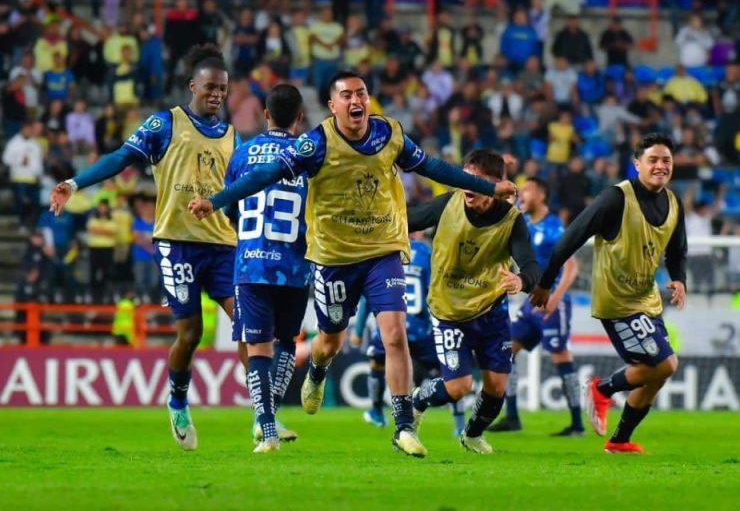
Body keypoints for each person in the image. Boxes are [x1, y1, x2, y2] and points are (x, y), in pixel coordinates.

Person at [189, 71, 518, 457]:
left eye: (361, 93)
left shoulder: (389, 134)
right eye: (346, 95)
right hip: (334, 258)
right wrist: (217, 200)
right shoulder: (315, 144)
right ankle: (318, 368)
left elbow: (433, 167)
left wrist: (488, 187)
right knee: (329, 341)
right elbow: (267, 174)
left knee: (393, 335)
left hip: (383, 250)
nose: (355, 100)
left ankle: (404, 426)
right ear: (333, 105)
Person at [49, 44, 237, 452]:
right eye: (210, 87)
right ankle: (178, 400)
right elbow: (120, 158)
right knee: (190, 333)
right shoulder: (164, 124)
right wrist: (75, 183)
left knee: (248, 320)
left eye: (223, 88)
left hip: (223, 243)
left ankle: (264, 414)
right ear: (193, 86)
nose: (217, 94)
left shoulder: (233, 136)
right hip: (177, 242)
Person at [529, 133, 687, 454]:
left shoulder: (673, 202)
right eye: (653, 160)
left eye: (666, 160)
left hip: (647, 300)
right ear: (637, 164)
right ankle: (602, 389)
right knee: (667, 365)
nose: (660, 166)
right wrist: (545, 282)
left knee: (655, 376)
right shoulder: (615, 198)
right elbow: (571, 237)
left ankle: (618, 441)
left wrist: (679, 279)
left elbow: (677, 249)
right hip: (617, 301)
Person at [407, 149, 540, 454]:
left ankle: (472, 434)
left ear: (496, 186)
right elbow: (409, 217)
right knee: (459, 387)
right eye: (466, 176)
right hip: (448, 310)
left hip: (491, 311)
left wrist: (521, 281)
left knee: (497, 388)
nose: (468, 185)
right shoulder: (448, 204)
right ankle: (418, 399)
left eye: (478, 180)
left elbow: (530, 265)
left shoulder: (512, 220)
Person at [226, 84, 311, 454]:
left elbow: (231, 209)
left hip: (252, 263)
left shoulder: (242, 155)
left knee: (257, 346)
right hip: (295, 264)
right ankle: (271, 418)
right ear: (300, 117)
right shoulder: (308, 155)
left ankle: (266, 429)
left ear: (266, 114)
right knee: (287, 343)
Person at [489, 177, 583, 436]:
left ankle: (577, 424)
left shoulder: (554, 228)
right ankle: (512, 417)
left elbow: (572, 267)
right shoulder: (524, 222)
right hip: (531, 304)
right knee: (507, 350)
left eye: (527, 189)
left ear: (541, 195)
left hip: (554, 304)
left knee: (560, 356)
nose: (522, 194)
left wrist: (554, 299)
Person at [351, 233, 466, 436]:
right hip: (421, 329)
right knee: (448, 370)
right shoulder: (427, 254)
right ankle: (459, 425)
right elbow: (435, 291)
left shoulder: (386, 252)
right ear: (419, 232)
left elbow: (367, 298)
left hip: (393, 325)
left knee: (377, 362)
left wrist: (359, 331)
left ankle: (377, 411)